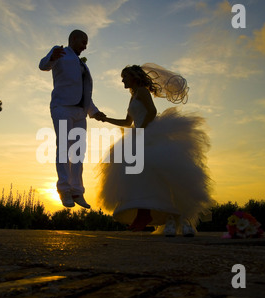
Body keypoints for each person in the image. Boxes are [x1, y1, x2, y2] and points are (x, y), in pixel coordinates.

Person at [96, 63, 214, 236]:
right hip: (139, 133)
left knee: (146, 172)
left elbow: (152, 112)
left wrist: (142, 131)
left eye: (124, 77)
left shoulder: (142, 91)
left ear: (134, 77)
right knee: (136, 174)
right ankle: (143, 212)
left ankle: (149, 214)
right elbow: (127, 122)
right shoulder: (134, 96)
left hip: (148, 133)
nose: (122, 81)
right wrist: (105, 119)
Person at [39, 30, 106, 209]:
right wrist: (51, 57)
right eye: (83, 42)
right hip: (62, 108)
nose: (85, 46)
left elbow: (85, 93)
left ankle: (77, 190)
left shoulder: (82, 65)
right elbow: (43, 65)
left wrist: (95, 112)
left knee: (78, 152)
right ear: (74, 39)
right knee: (64, 148)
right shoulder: (60, 52)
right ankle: (64, 189)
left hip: (79, 112)